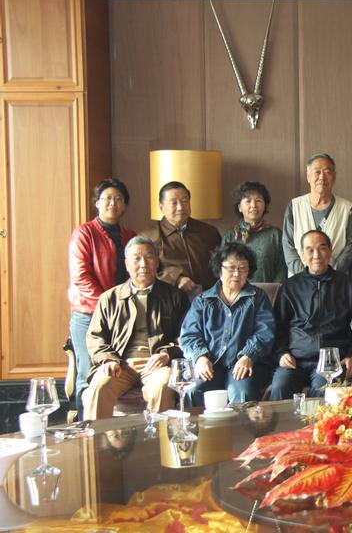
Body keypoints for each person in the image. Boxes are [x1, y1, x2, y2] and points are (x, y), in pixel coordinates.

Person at [82, 236, 189, 420]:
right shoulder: (110, 298)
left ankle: (160, 438)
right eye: (136, 258)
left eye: (149, 257)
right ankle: (96, 439)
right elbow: (95, 337)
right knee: (99, 387)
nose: (143, 264)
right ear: (126, 264)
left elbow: (186, 336)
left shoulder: (175, 297)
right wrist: (108, 360)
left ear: (157, 262)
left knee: (163, 386)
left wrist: (166, 354)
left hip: (158, 364)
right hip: (120, 363)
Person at [68, 178, 136, 419]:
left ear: (125, 204)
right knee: (88, 374)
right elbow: (81, 277)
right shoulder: (84, 233)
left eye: (118, 199)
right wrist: (110, 306)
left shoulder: (129, 236)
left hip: (121, 316)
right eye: (107, 198)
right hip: (88, 313)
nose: (112, 203)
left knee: (114, 371)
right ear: (97, 202)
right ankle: (82, 426)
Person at [180, 242, 276, 405]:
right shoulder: (203, 301)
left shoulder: (257, 298)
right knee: (193, 389)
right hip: (210, 363)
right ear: (219, 269)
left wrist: (249, 355)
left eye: (242, 268)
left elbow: (265, 332)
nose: (236, 274)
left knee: (242, 392)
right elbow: (189, 334)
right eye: (231, 268)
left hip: (244, 362)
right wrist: (200, 358)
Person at [270, 230, 352, 399]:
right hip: (295, 360)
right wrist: (281, 354)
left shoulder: (346, 285)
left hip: (331, 361)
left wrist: (349, 355)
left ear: (330, 251)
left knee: (324, 391)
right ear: (302, 255)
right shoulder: (289, 287)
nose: (316, 255)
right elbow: (278, 328)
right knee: (280, 387)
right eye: (310, 250)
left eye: (322, 248)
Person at [141, 181, 222, 297]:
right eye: (174, 203)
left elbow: (223, 262)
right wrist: (176, 278)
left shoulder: (209, 232)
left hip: (209, 296)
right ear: (161, 207)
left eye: (184, 201)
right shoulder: (148, 237)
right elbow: (143, 270)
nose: (180, 207)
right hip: (169, 298)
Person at [282, 153, 352, 277]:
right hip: (299, 281)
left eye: (327, 172)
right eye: (317, 172)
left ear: (334, 177)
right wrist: (305, 276)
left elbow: (350, 247)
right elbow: (288, 245)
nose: (322, 177)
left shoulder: (347, 209)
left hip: (335, 280)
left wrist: (331, 275)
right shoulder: (294, 206)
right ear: (308, 176)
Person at [220, 181, 286, 283]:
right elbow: (223, 269)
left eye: (258, 201)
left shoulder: (275, 234)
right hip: (238, 292)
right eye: (248, 201)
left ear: (265, 206)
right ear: (239, 207)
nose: (253, 205)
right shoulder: (231, 235)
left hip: (270, 291)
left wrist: (274, 290)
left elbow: (282, 269)